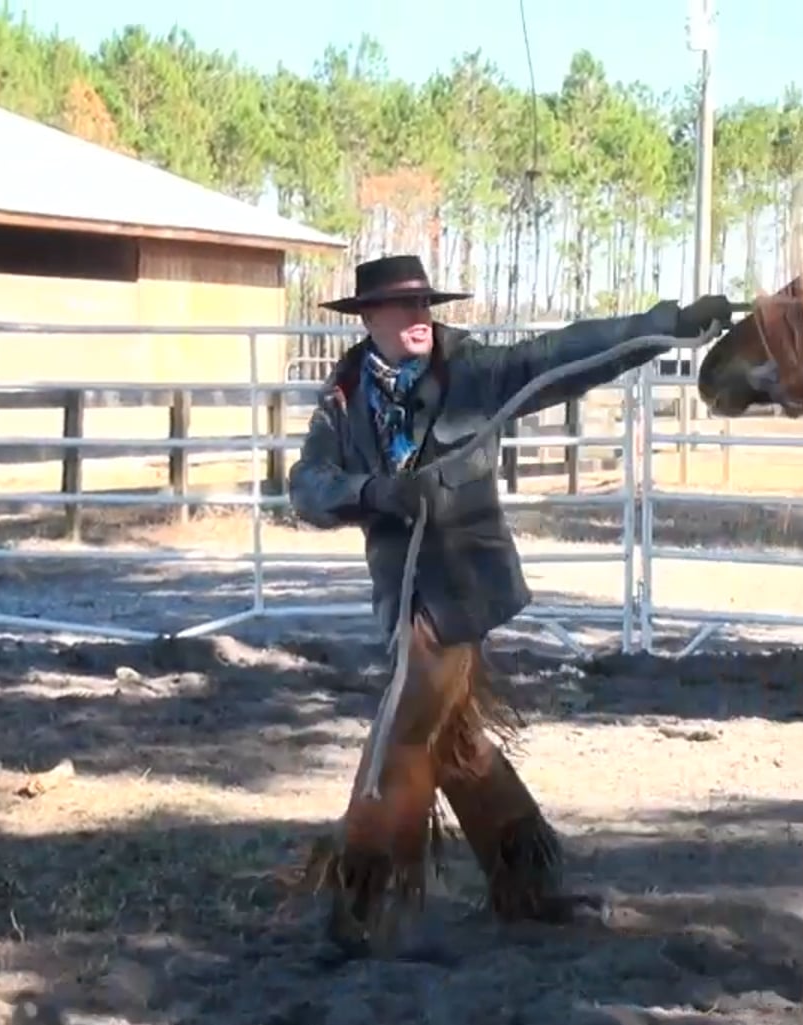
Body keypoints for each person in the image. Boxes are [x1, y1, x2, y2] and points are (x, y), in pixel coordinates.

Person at [287, 253, 731, 954]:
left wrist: (663, 325)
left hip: (459, 593)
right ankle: (523, 877)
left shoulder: (473, 372)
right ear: (367, 318)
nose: (417, 318)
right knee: (453, 739)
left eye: (424, 304)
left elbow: (563, 353)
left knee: (402, 730)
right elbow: (306, 486)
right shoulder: (342, 400)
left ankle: (362, 895)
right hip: (401, 598)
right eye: (401, 308)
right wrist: (376, 494)